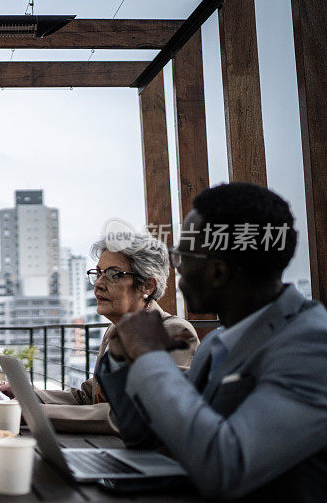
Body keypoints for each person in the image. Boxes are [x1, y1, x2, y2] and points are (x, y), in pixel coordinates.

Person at [96, 182, 327, 500]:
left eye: (182, 257)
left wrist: (149, 356)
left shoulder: (313, 347)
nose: (176, 270)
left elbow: (226, 466)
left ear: (217, 272)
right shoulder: (219, 342)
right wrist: (123, 358)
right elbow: (144, 438)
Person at [0, 233, 198, 433]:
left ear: (147, 285)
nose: (99, 283)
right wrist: (28, 395)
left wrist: (37, 413)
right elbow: (88, 397)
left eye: (113, 274)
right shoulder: (115, 330)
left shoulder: (173, 333)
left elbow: (139, 415)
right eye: (99, 273)